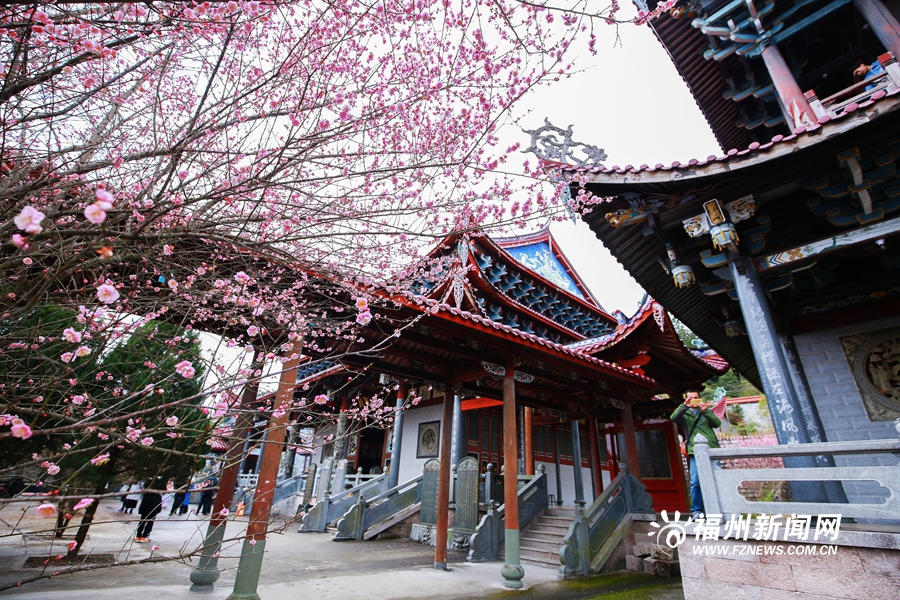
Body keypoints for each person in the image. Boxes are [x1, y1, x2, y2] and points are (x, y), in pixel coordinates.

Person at [670, 389, 721, 519]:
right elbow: (674, 418)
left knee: (718, 479)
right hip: (694, 451)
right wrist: (684, 406)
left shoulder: (706, 411)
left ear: (700, 398)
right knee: (695, 481)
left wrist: (706, 411)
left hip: (712, 449)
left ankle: (721, 507)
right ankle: (697, 510)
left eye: (696, 397)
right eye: (690, 398)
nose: (693, 400)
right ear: (686, 399)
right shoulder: (685, 413)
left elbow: (717, 423)